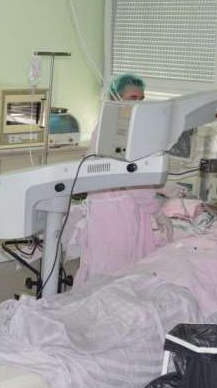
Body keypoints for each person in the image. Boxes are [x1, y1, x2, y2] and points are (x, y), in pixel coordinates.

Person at [75, 73, 179, 285]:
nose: (138, 103)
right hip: (117, 214)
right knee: (115, 274)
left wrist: (158, 187)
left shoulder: (111, 126)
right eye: (133, 98)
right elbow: (133, 182)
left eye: (141, 99)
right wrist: (158, 211)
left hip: (110, 208)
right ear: (115, 98)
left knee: (105, 270)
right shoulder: (117, 132)